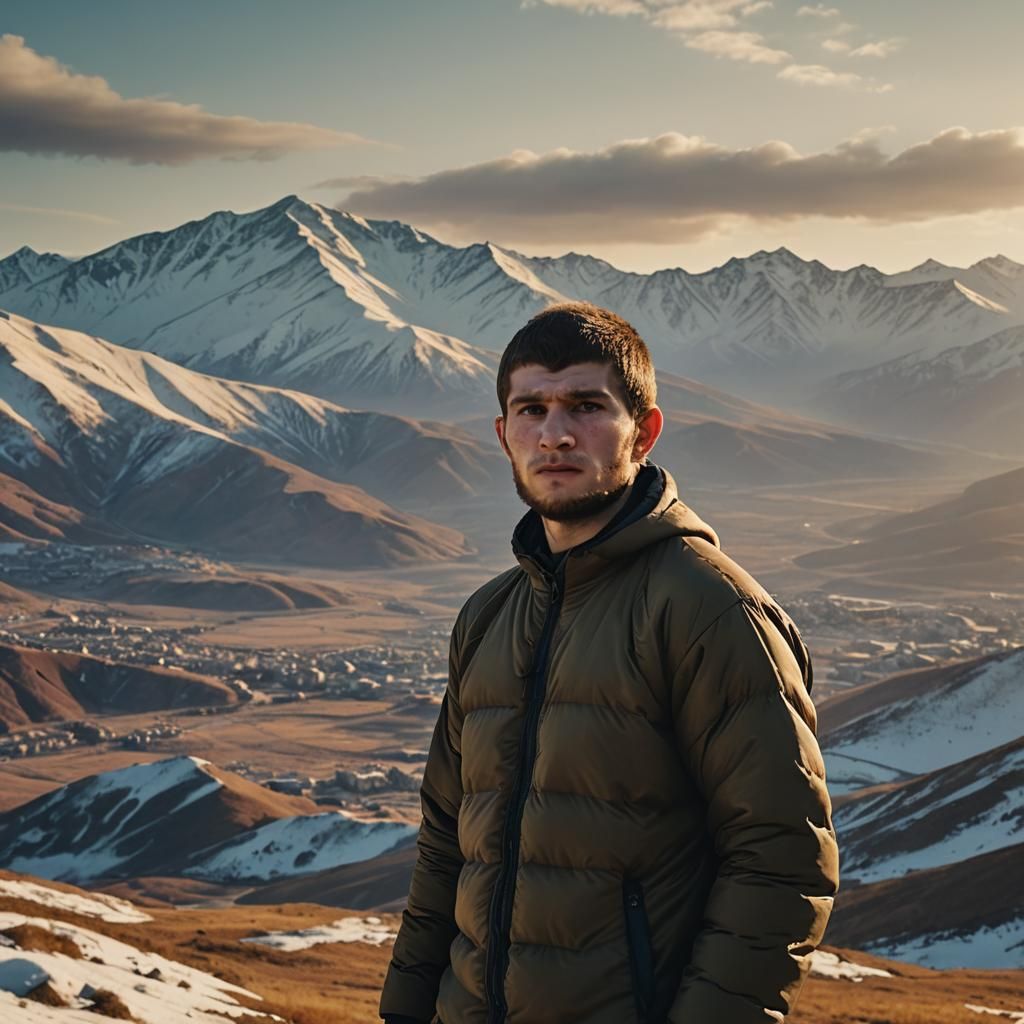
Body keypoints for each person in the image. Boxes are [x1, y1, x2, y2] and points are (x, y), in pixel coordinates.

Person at [379, 303, 839, 1024]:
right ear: (503, 436)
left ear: (644, 431)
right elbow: (445, 844)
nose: (554, 433)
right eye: (530, 409)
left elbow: (780, 860)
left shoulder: (708, 609)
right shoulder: (488, 617)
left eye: (586, 407)